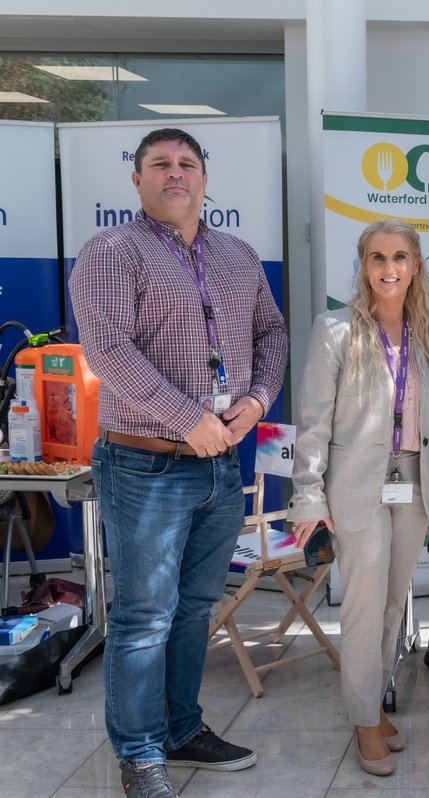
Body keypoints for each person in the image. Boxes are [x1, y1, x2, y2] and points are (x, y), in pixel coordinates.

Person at [70, 128, 287, 798]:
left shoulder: (239, 255)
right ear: (136, 181)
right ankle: (139, 754)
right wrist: (186, 417)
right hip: (146, 466)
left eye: (186, 163)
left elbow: (270, 333)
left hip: (222, 465)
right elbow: (108, 351)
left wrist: (254, 400)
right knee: (144, 617)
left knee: (195, 608)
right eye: (159, 164)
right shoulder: (111, 251)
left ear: (204, 178)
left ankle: (182, 729)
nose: (175, 173)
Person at [288, 220, 429, 777]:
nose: (390, 268)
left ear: (416, 267)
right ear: (364, 266)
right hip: (356, 487)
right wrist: (309, 498)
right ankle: (364, 721)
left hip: (414, 483)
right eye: (378, 257)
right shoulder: (335, 329)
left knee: (392, 604)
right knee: (364, 607)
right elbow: (312, 425)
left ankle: (371, 702)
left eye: (401, 257)